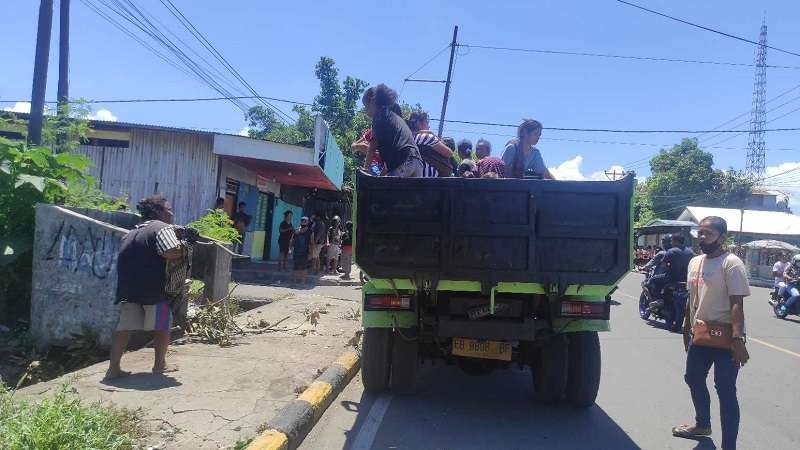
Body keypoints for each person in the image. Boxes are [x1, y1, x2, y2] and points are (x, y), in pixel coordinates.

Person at [673, 216, 750, 450]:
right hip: (700, 334)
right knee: (693, 378)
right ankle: (703, 424)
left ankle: (729, 446)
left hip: (727, 338)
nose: (702, 237)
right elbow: (692, 298)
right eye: (700, 232)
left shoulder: (732, 263)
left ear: (722, 237)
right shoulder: (695, 262)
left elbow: (737, 303)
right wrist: (687, 327)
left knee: (725, 391)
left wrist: (738, 339)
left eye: (708, 233)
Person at [106, 194, 184, 380]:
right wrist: (185, 247)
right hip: (153, 288)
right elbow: (169, 252)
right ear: (158, 212)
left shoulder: (131, 232)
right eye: (169, 209)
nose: (172, 213)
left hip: (128, 289)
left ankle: (113, 369)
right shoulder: (162, 228)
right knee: (162, 324)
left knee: (124, 328)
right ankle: (160, 365)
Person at [362, 84, 423, 177]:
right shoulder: (394, 119)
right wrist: (380, 178)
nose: (365, 109)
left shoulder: (379, 116)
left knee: (383, 191)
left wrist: (365, 169)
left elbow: (373, 144)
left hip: (404, 160)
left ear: (372, 101)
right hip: (417, 162)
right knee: (405, 191)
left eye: (365, 105)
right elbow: (390, 160)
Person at [648, 234, 695, 310]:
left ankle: (658, 299)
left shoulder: (671, 251)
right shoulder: (690, 252)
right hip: (686, 278)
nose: (671, 242)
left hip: (672, 278)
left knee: (653, 280)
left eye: (671, 241)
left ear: (674, 241)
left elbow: (663, 266)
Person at [406, 110, 455, 177]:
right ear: (419, 124)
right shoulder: (425, 137)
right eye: (427, 123)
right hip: (429, 182)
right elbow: (449, 153)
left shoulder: (407, 138)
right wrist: (433, 135)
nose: (429, 126)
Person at [291, 216, 312, 284]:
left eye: (305, 221)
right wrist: (290, 248)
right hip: (296, 251)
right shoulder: (296, 230)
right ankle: (295, 280)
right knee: (296, 266)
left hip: (305, 251)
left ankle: (303, 280)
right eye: (302, 220)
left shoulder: (310, 231)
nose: (303, 222)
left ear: (307, 222)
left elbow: (311, 242)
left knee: (304, 267)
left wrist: (311, 252)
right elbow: (292, 240)